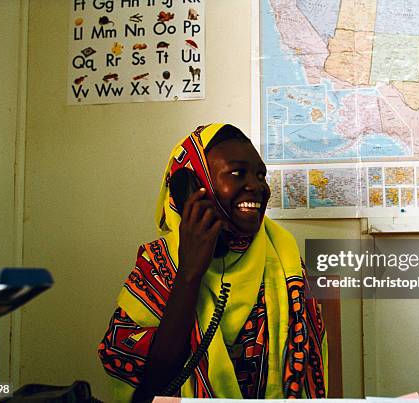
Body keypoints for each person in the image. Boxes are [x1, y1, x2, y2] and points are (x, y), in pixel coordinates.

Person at [98, 124, 327, 402]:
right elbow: (149, 388)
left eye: (260, 175)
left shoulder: (285, 259)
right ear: (194, 188)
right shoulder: (156, 266)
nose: (256, 186)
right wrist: (189, 272)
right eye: (237, 173)